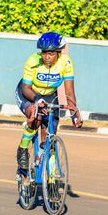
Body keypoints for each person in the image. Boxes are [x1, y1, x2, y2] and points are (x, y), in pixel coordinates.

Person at [15, 31, 83, 176]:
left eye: (51, 53)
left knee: (50, 137)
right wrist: (37, 100)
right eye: (44, 53)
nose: (46, 57)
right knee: (36, 117)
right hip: (28, 93)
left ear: (59, 53)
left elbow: (69, 92)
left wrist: (75, 114)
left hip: (50, 95)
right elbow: (25, 88)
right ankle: (23, 148)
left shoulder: (66, 62)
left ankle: (51, 178)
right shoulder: (33, 60)